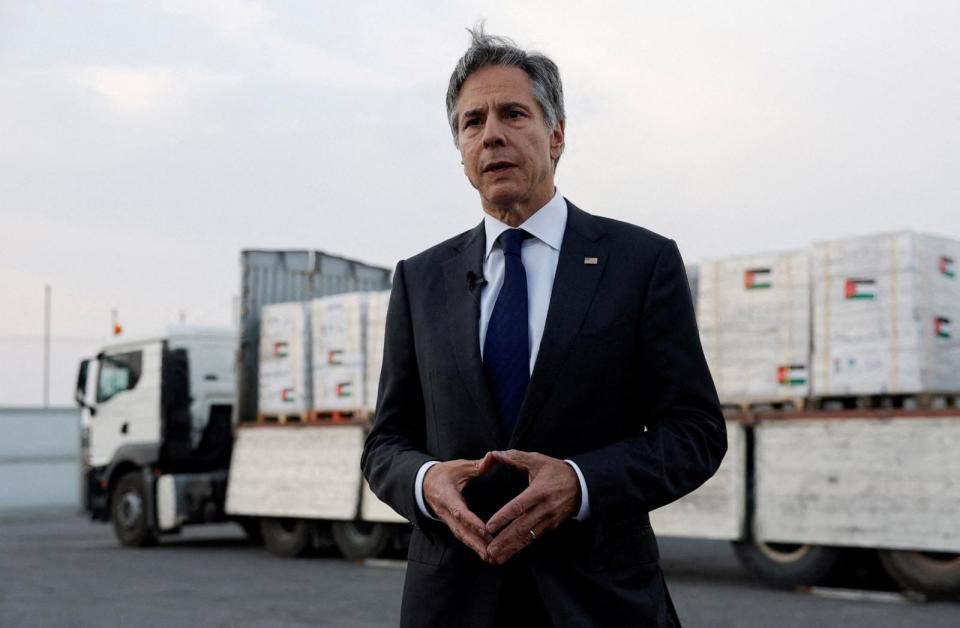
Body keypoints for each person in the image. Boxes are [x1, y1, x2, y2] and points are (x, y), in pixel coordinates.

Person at [361, 26, 726, 628]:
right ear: (460, 152)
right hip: (454, 602)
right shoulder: (420, 279)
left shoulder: (640, 263)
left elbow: (694, 432)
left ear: (556, 136)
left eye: (512, 113)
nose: (492, 134)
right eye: (471, 122)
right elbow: (386, 443)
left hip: (599, 601)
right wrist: (426, 483)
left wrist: (581, 484)